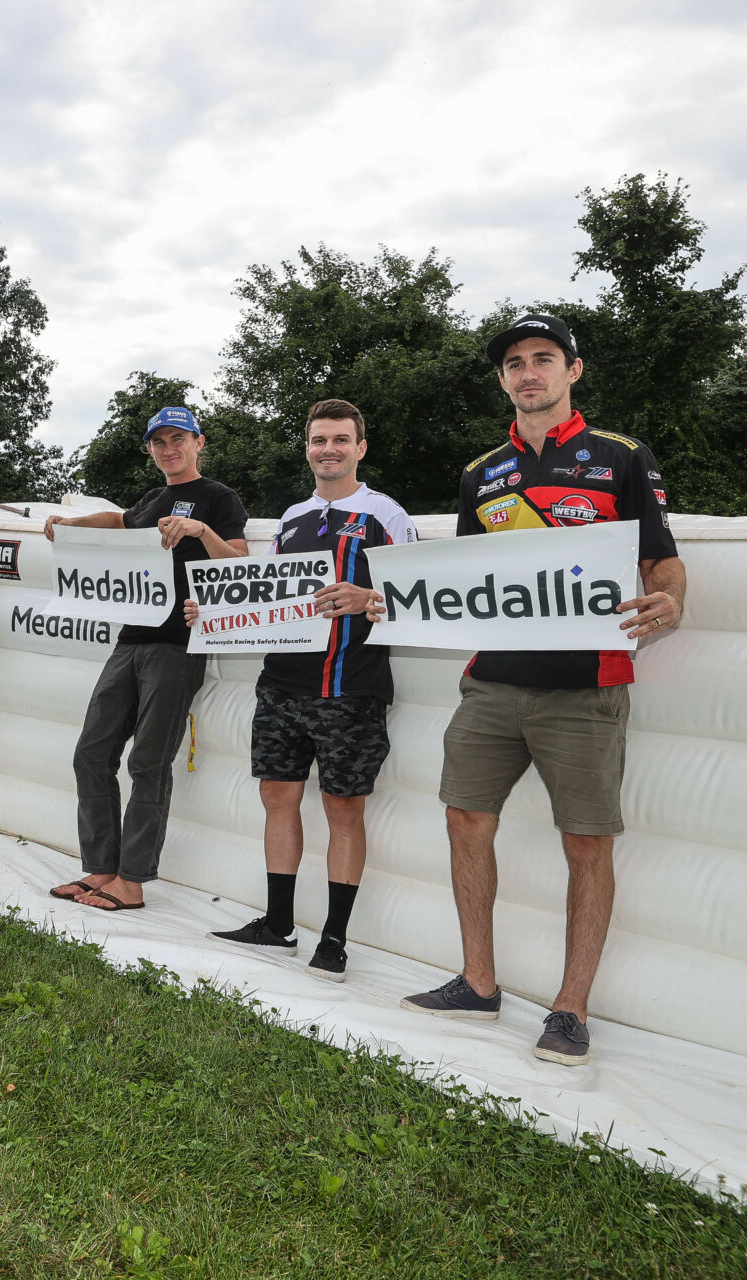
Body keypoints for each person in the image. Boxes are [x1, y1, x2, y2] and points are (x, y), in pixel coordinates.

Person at [402, 313, 684, 1066]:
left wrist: (672, 601)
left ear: (572, 371)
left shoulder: (620, 457)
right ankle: (479, 982)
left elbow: (661, 562)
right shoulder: (481, 473)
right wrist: (385, 598)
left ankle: (571, 1008)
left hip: (585, 686)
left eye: (544, 359)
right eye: (516, 363)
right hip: (491, 681)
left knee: (586, 842)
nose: (529, 372)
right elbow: (458, 582)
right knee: (466, 819)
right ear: (503, 380)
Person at [194, 400, 416, 981]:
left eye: (341, 439)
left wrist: (369, 600)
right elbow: (266, 597)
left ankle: (335, 939)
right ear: (308, 448)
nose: (329, 450)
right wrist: (212, 606)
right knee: (278, 800)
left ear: (360, 448)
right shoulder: (293, 517)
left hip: (350, 687)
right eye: (319, 440)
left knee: (344, 809)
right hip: (282, 686)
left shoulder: (385, 514)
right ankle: (278, 924)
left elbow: (422, 598)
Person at [42, 407, 248, 910]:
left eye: (178, 438)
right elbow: (117, 520)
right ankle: (101, 867)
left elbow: (241, 562)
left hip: (177, 644)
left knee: (148, 761)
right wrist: (70, 523)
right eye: (159, 442)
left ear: (199, 442)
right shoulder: (153, 498)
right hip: (130, 638)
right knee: (91, 753)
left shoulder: (219, 498)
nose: (168, 448)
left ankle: (132, 880)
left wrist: (201, 532)